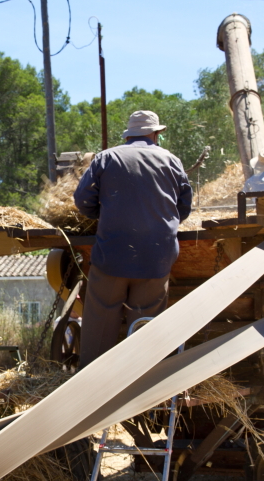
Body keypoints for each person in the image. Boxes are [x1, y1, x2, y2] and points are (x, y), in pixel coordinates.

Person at [73, 110, 192, 369]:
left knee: (101, 320)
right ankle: (142, 384)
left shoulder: (106, 157)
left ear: (129, 134)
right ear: (155, 133)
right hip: (156, 258)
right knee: (147, 325)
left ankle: (92, 384)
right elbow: (183, 208)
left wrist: (103, 215)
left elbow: (82, 200)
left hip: (112, 255)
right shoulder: (171, 160)